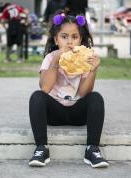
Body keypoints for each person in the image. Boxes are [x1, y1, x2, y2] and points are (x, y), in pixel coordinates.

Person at [28, 11, 109, 168]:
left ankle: (92, 149)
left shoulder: (85, 59)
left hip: (78, 114)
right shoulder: (51, 58)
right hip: (54, 113)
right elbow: (45, 88)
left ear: (80, 40)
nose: (69, 42)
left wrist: (93, 70)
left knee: (96, 98)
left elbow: (85, 93)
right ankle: (41, 148)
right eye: (64, 37)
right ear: (56, 39)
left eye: (74, 37)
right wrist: (57, 60)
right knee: (36, 97)